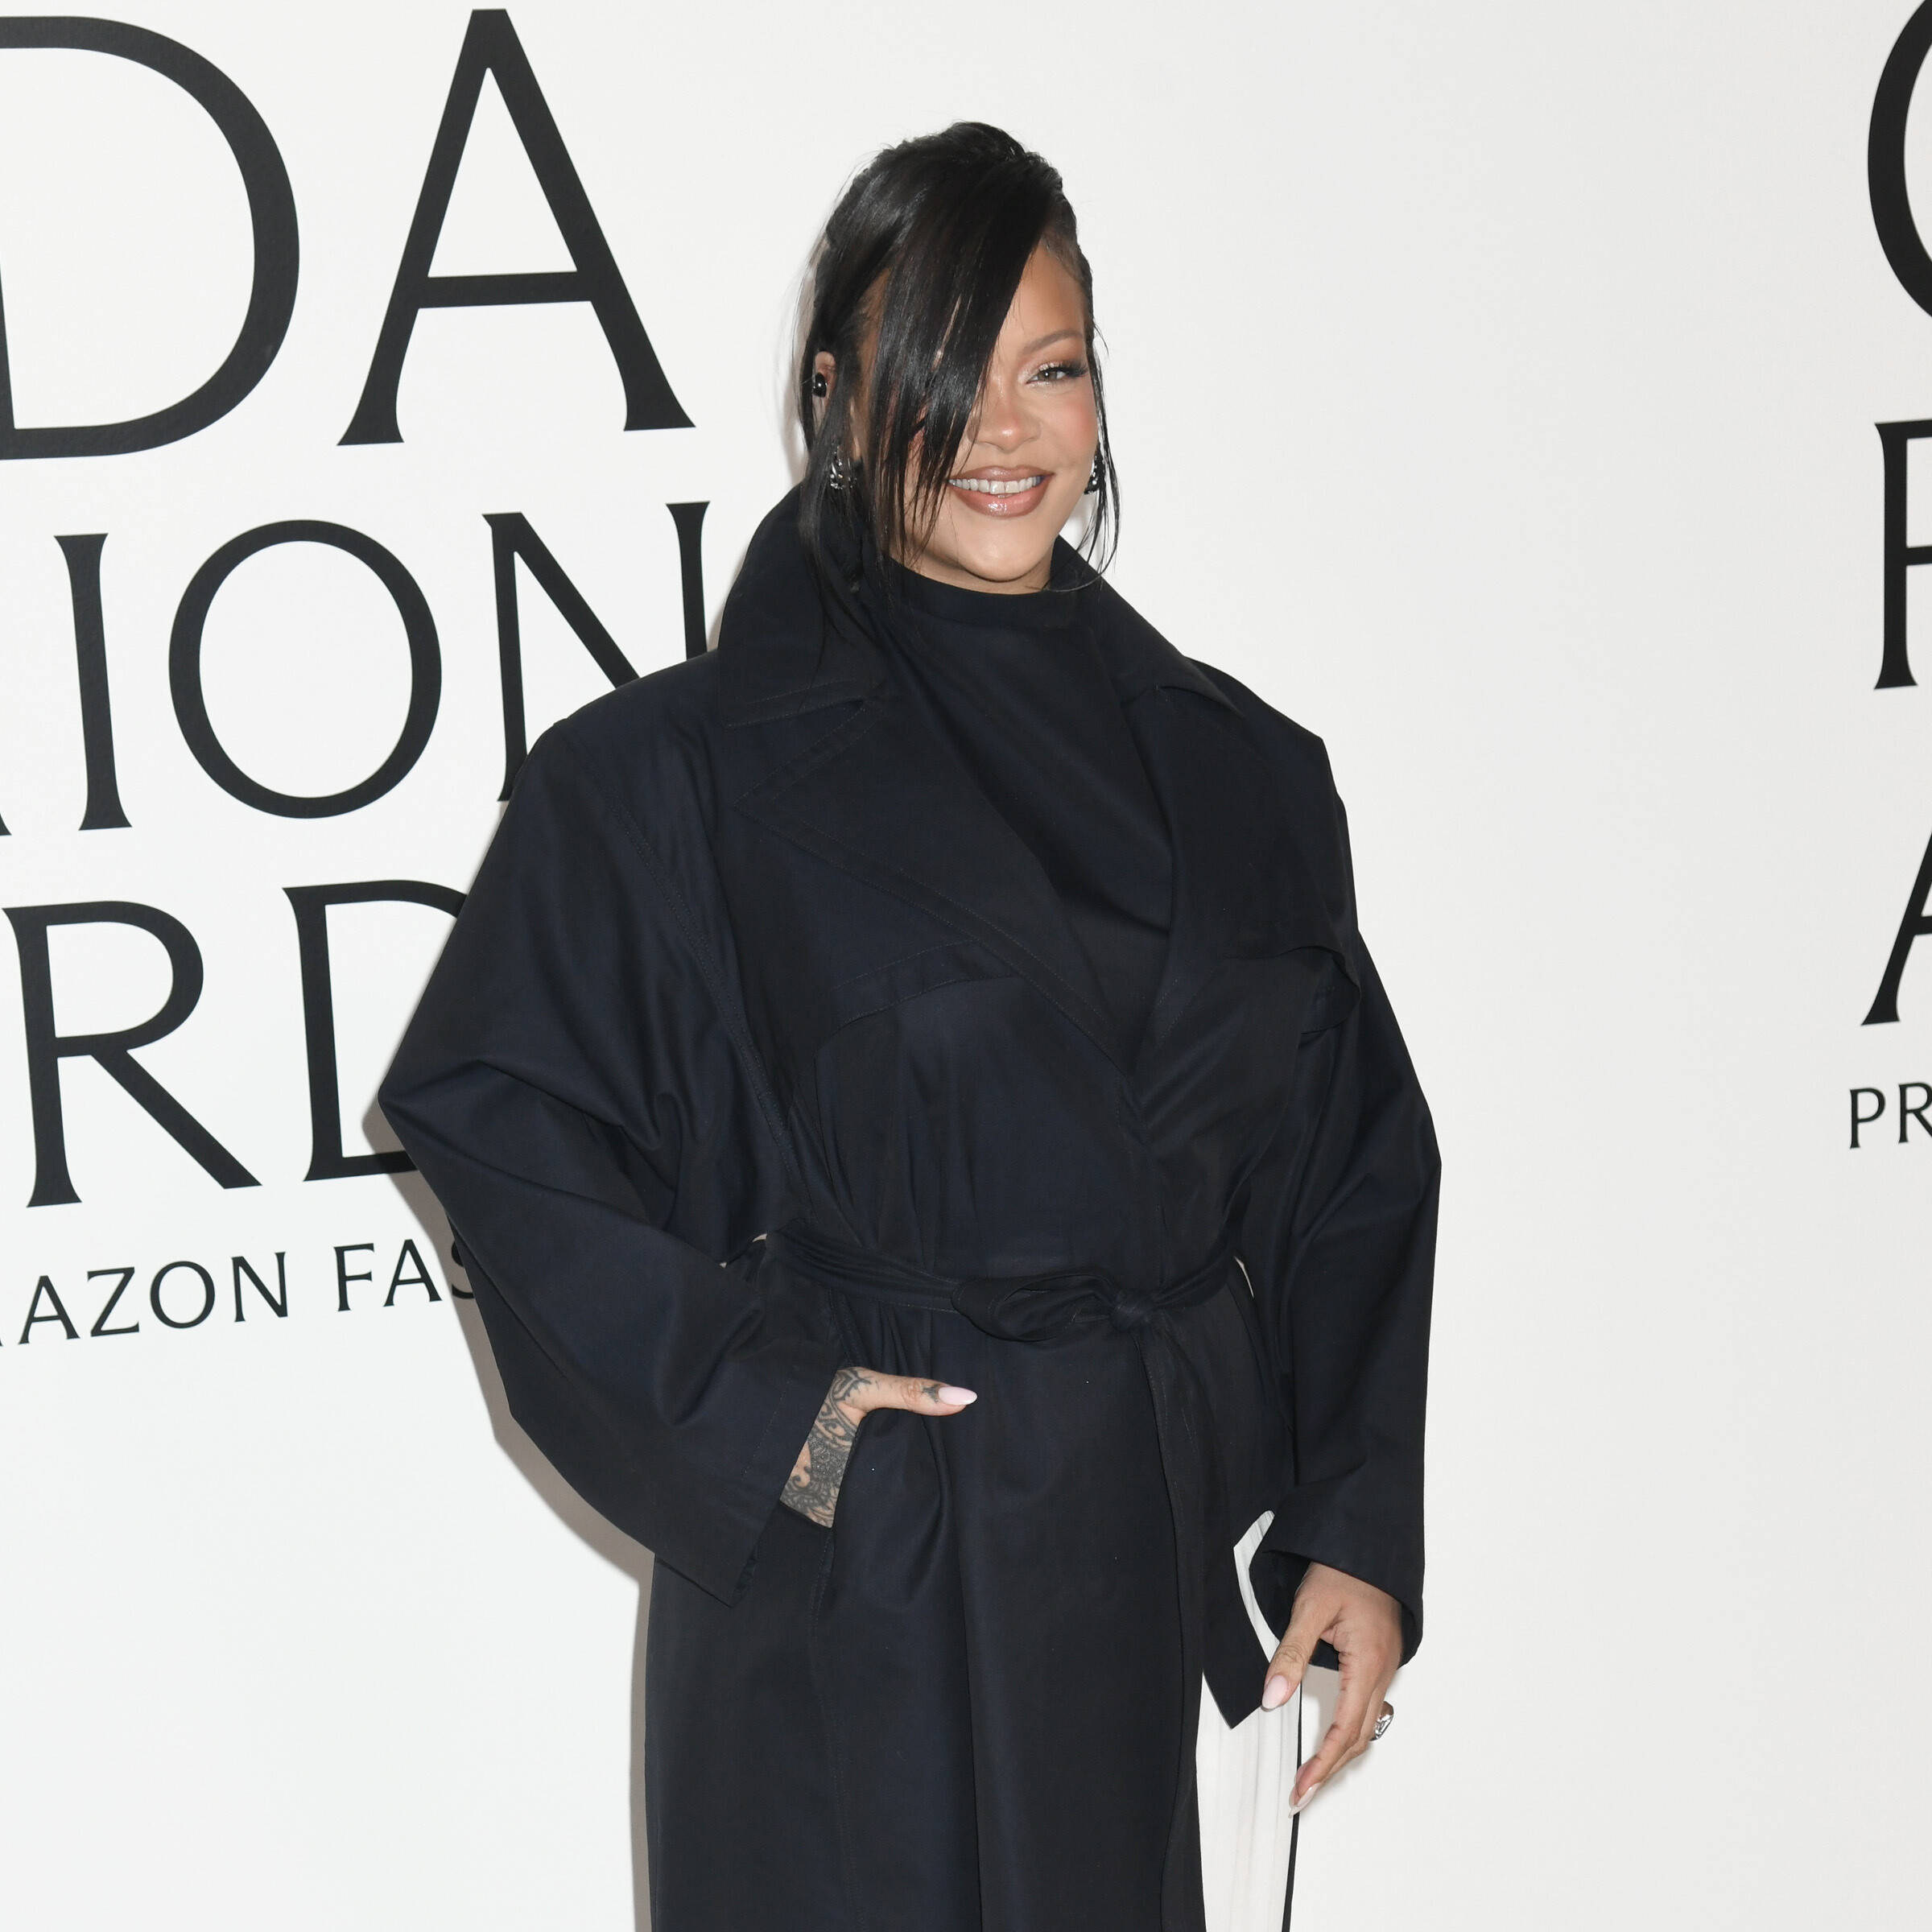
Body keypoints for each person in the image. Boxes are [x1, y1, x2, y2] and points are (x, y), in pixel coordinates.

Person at [380, 122, 1438, 1932]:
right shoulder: (671, 777)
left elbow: (1352, 1159)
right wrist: (774, 1420)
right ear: (834, 398)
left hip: (1175, 1564)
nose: (1003, 432)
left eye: (1053, 369)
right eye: (941, 374)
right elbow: (495, 1112)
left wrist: (1354, 1519)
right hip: (878, 1578)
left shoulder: (1247, 768)